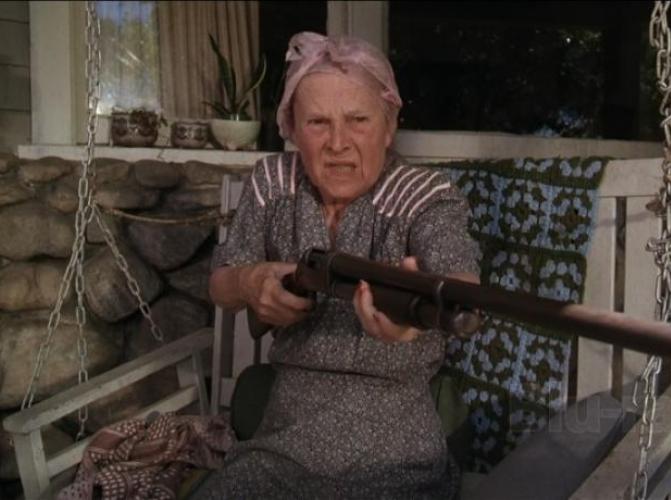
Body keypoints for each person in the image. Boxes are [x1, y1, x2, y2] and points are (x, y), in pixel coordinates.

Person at [195, 31, 480, 499]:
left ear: (389, 126)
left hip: (394, 449)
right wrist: (249, 282)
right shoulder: (272, 182)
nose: (338, 143)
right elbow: (221, 282)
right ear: (292, 128)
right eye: (317, 123)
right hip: (281, 441)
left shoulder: (427, 196)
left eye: (358, 120)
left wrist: (413, 314)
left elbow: (461, 282)